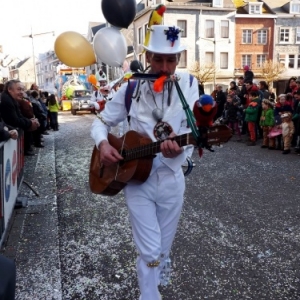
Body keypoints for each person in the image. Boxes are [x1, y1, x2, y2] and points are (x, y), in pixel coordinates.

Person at [91, 24, 199, 300]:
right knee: (150, 250)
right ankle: (149, 296)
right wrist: (103, 143)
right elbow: (101, 122)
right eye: (158, 58)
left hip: (172, 180)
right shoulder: (131, 88)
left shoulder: (189, 85)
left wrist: (180, 151)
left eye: (171, 59)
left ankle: (158, 272)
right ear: (148, 57)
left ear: (178, 59)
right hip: (138, 181)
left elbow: (195, 128)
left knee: (162, 248)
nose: (164, 66)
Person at [0, 80, 39, 155]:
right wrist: (30, 123)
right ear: (9, 89)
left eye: (22, 89)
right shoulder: (7, 101)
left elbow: (19, 115)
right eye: (19, 89)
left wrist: (30, 121)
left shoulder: (13, 100)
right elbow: (14, 120)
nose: (21, 92)